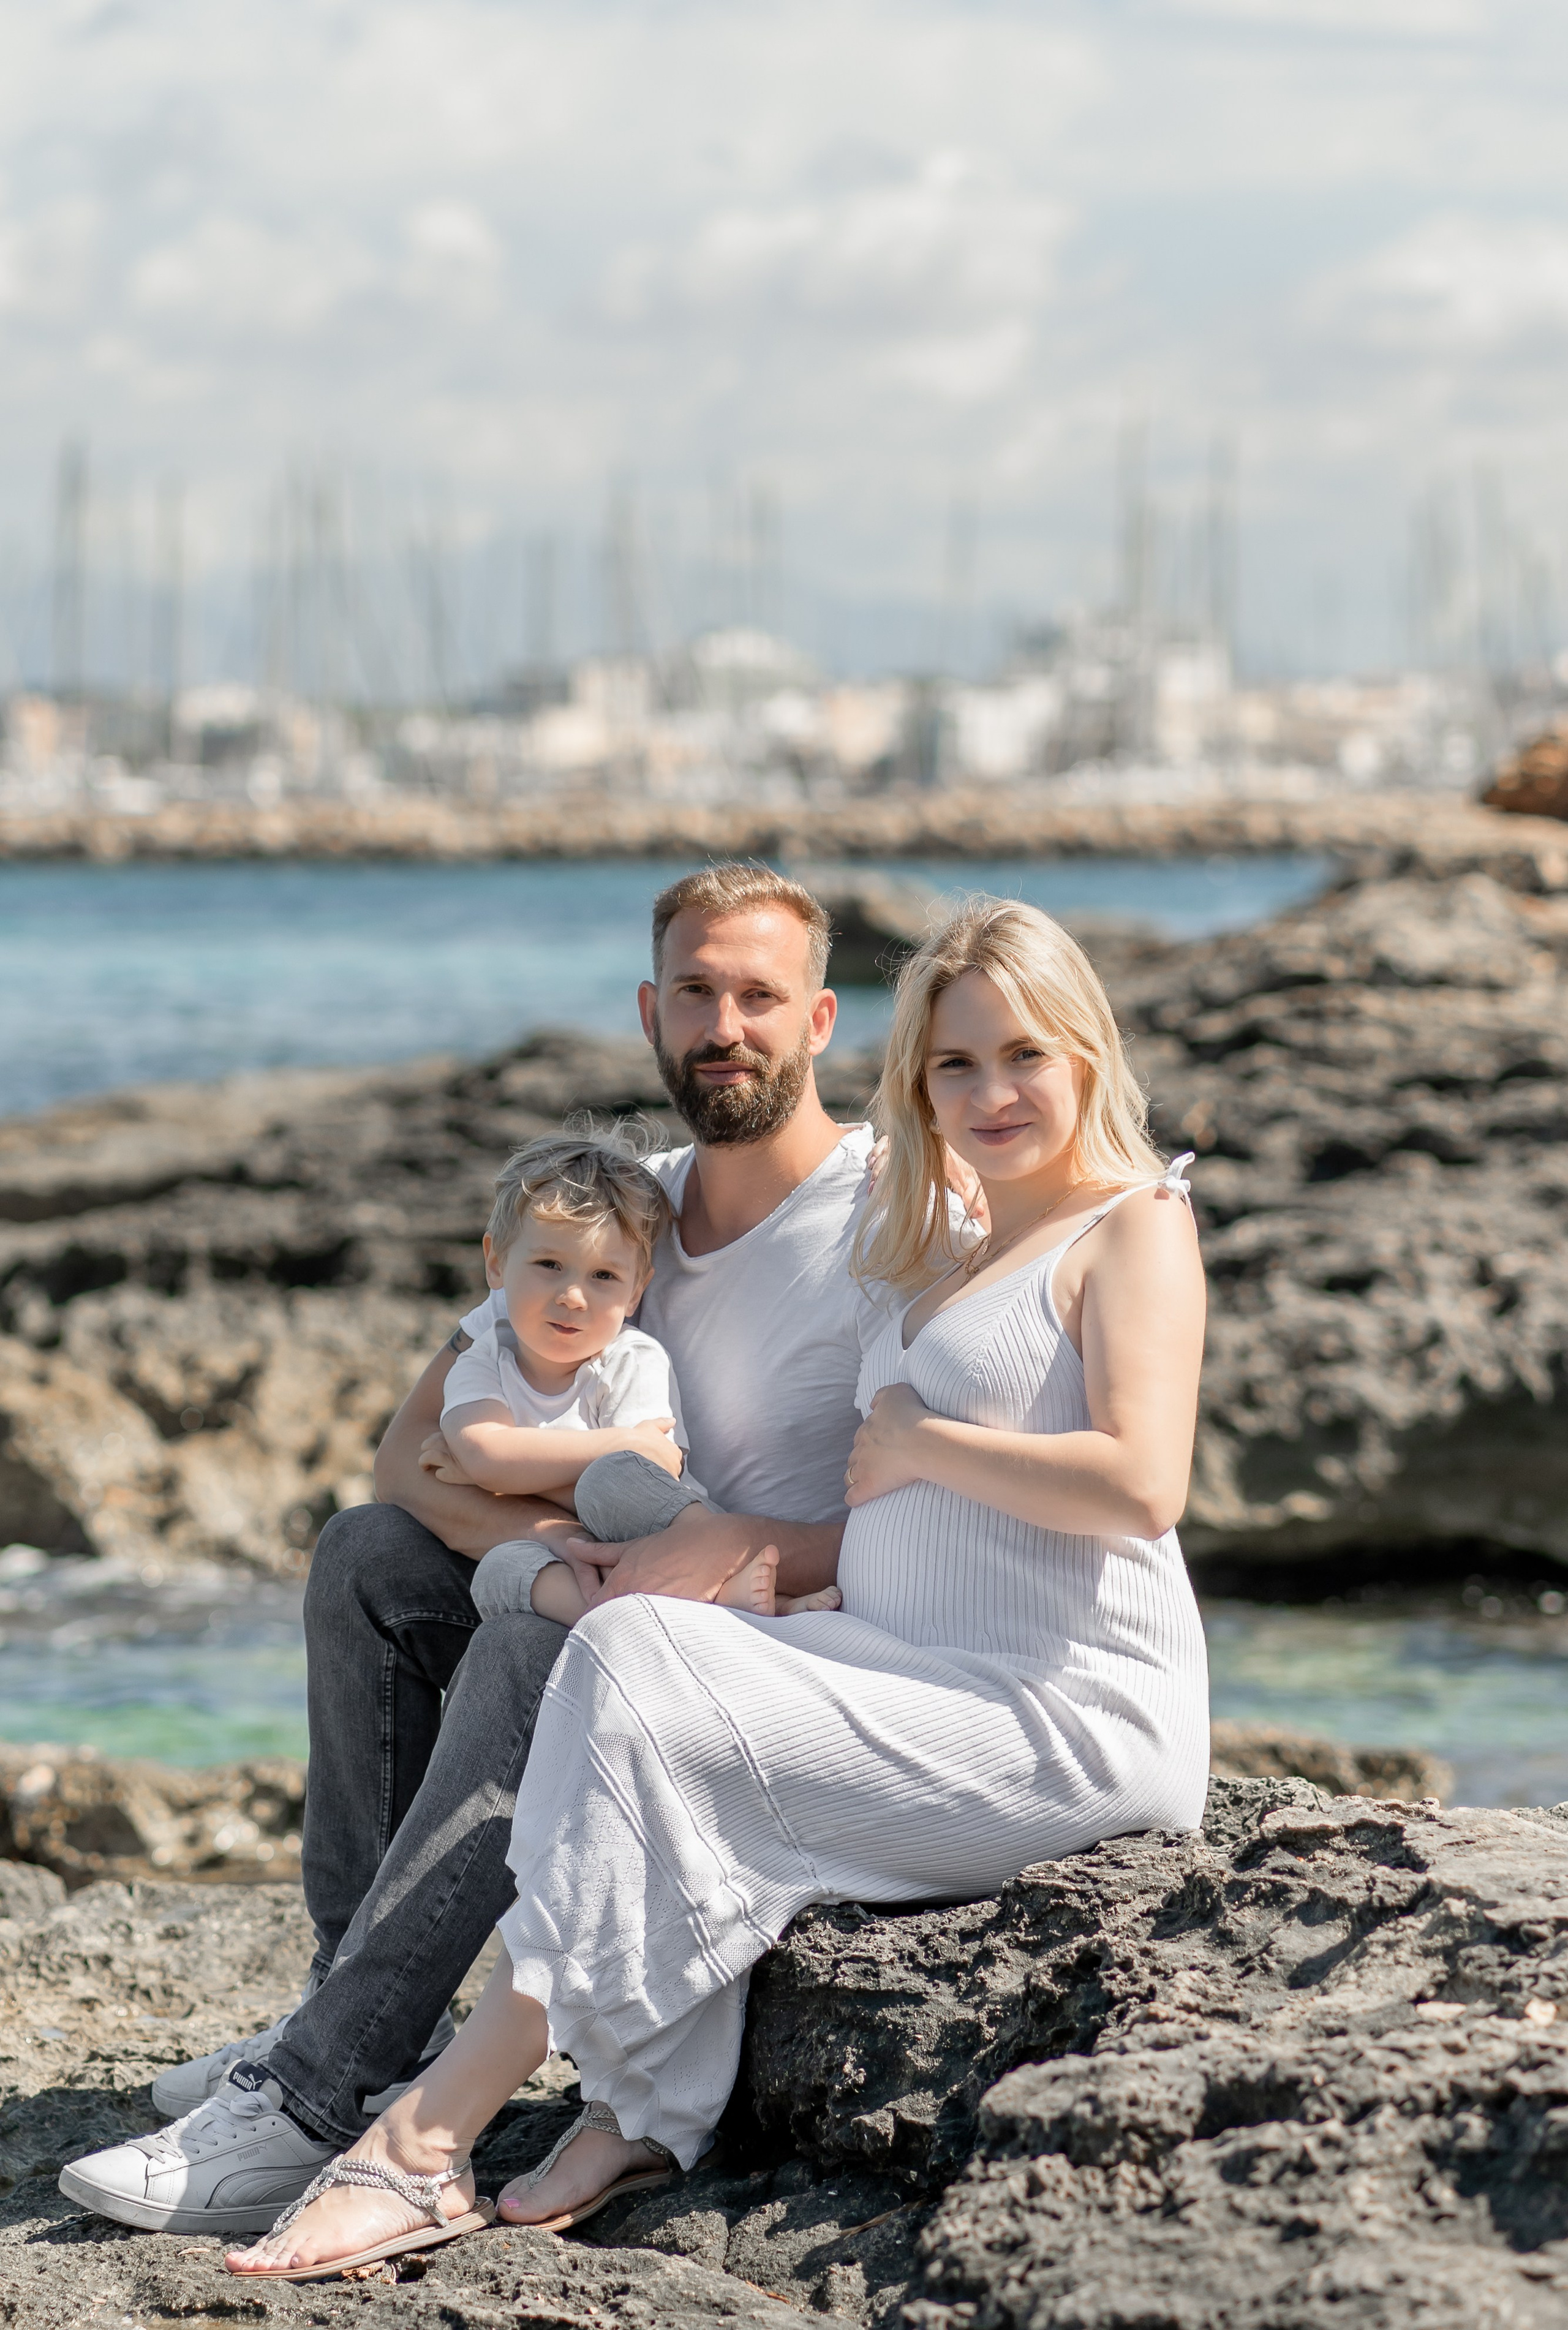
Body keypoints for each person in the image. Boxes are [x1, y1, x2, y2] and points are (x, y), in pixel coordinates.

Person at [221, 892, 1211, 2281]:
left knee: (630, 1670)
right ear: (916, 1079)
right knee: (626, 1643)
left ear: (1086, 1053)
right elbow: (420, 1448)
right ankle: (637, 2109)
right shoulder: (948, 1231)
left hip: (1056, 1709)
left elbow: (1144, 1483)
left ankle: (425, 2136)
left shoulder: (1134, 1221)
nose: (991, 1090)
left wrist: (921, 1442)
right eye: (954, 1063)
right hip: (902, 1657)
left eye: (1024, 1054)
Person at [59, 862, 894, 2240]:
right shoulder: (615, 1215)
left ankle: (311, 2096)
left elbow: (917, 1523)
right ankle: (350, 2008)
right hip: (607, 1590)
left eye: (758, 995)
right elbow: (406, 1465)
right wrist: (565, 1551)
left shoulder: (884, 1217)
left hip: (754, 1644)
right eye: (695, 991)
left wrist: (630, 1577)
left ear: (818, 1019)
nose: (724, 1025)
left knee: (530, 1639)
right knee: (368, 1558)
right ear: (650, 1010)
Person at [439, 1132, 838, 1626]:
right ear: (496, 1262)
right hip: (578, 1560)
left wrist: (506, 1477)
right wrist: (617, 1442)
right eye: (549, 1265)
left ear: (635, 1292)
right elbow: (487, 1454)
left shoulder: (632, 1358)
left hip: (673, 1543)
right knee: (499, 1572)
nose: (573, 1297)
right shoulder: (482, 1361)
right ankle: (624, 1614)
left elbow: (640, 1472)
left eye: (603, 1276)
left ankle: (742, 1592)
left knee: (609, 1481)